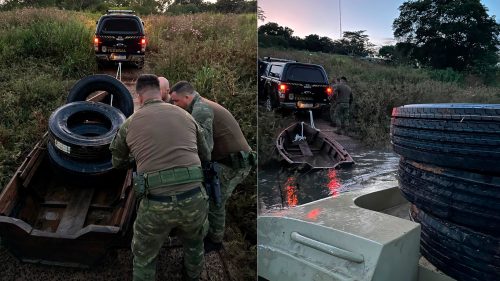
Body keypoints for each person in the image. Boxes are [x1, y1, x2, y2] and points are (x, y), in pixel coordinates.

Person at [110, 74, 210, 281]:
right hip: (194, 199)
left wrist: (137, 159)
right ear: (162, 93)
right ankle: (192, 276)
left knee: (144, 257)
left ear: (139, 97)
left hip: (156, 204)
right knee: (194, 245)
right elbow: (206, 154)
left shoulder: (130, 124)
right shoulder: (186, 116)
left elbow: (117, 162)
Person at [169, 81, 255, 252]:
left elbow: (206, 150)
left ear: (187, 97)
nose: (174, 105)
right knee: (211, 194)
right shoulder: (200, 104)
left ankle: (215, 241)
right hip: (228, 160)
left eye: (176, 101)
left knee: (216, 199)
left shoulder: (201, 110)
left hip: (234, 164)